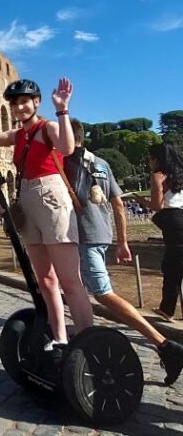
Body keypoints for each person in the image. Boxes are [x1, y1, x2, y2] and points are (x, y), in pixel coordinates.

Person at [0, 78, 93, 349]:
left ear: (36, 102)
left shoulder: (48, 127)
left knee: (70, 280)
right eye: (14, 104)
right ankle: (59, 338)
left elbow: (67, 148)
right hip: (26, 200)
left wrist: (62, 109)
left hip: (51, 196)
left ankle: (87, 343)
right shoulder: (18, 135)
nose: (19, 107)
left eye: (24, 101)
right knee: (45, 280)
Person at [64, 120, 183, 385]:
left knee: (103, 293)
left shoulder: (65, 163)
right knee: (77, 289)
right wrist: (122, 242)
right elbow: (118, 205)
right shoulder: (102, 163)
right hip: (100, 234)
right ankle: (82, 334)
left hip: (85, 235)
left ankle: (164, 345)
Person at [131, 143, 183, 324]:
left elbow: (157, 206)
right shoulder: (179, 175)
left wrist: (140, 200)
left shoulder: (158, 176)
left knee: (171, 267)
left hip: (172, 221)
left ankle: (167, 309)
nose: (149, 162)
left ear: (157, 159)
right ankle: (166, 308)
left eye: (150, 158)